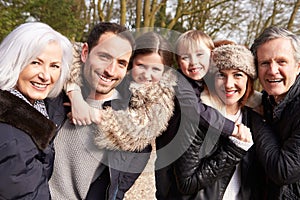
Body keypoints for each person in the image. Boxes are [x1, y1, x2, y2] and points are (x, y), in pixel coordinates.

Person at [49, 22, 154, 200]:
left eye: (121, 63)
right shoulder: (53, 92)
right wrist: (74, 94)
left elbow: (115, 190)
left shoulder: (131, 125)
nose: (110, 71)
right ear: (84, 53)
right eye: (104, 56)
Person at [175, 43, 267, 199]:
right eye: (221, 75)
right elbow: (187, 183)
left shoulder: (256, 119)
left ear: (248, 80)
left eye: (237, 74)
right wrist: (234, 149)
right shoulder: (197, 119)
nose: (229, 84)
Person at [0, 22, 72, 199]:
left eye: (54, 66)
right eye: (35, 62)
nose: (46, 76)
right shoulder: (14, 137)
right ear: (14, 61)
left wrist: (75, 93)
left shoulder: (37, 108)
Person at [250, 26, 300, 199]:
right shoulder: (265, 100)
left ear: (298, 66)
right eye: (264, 63)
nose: (272, 70)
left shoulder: (257, 109)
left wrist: (257, 118)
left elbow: (284, 171)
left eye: (281, 62)